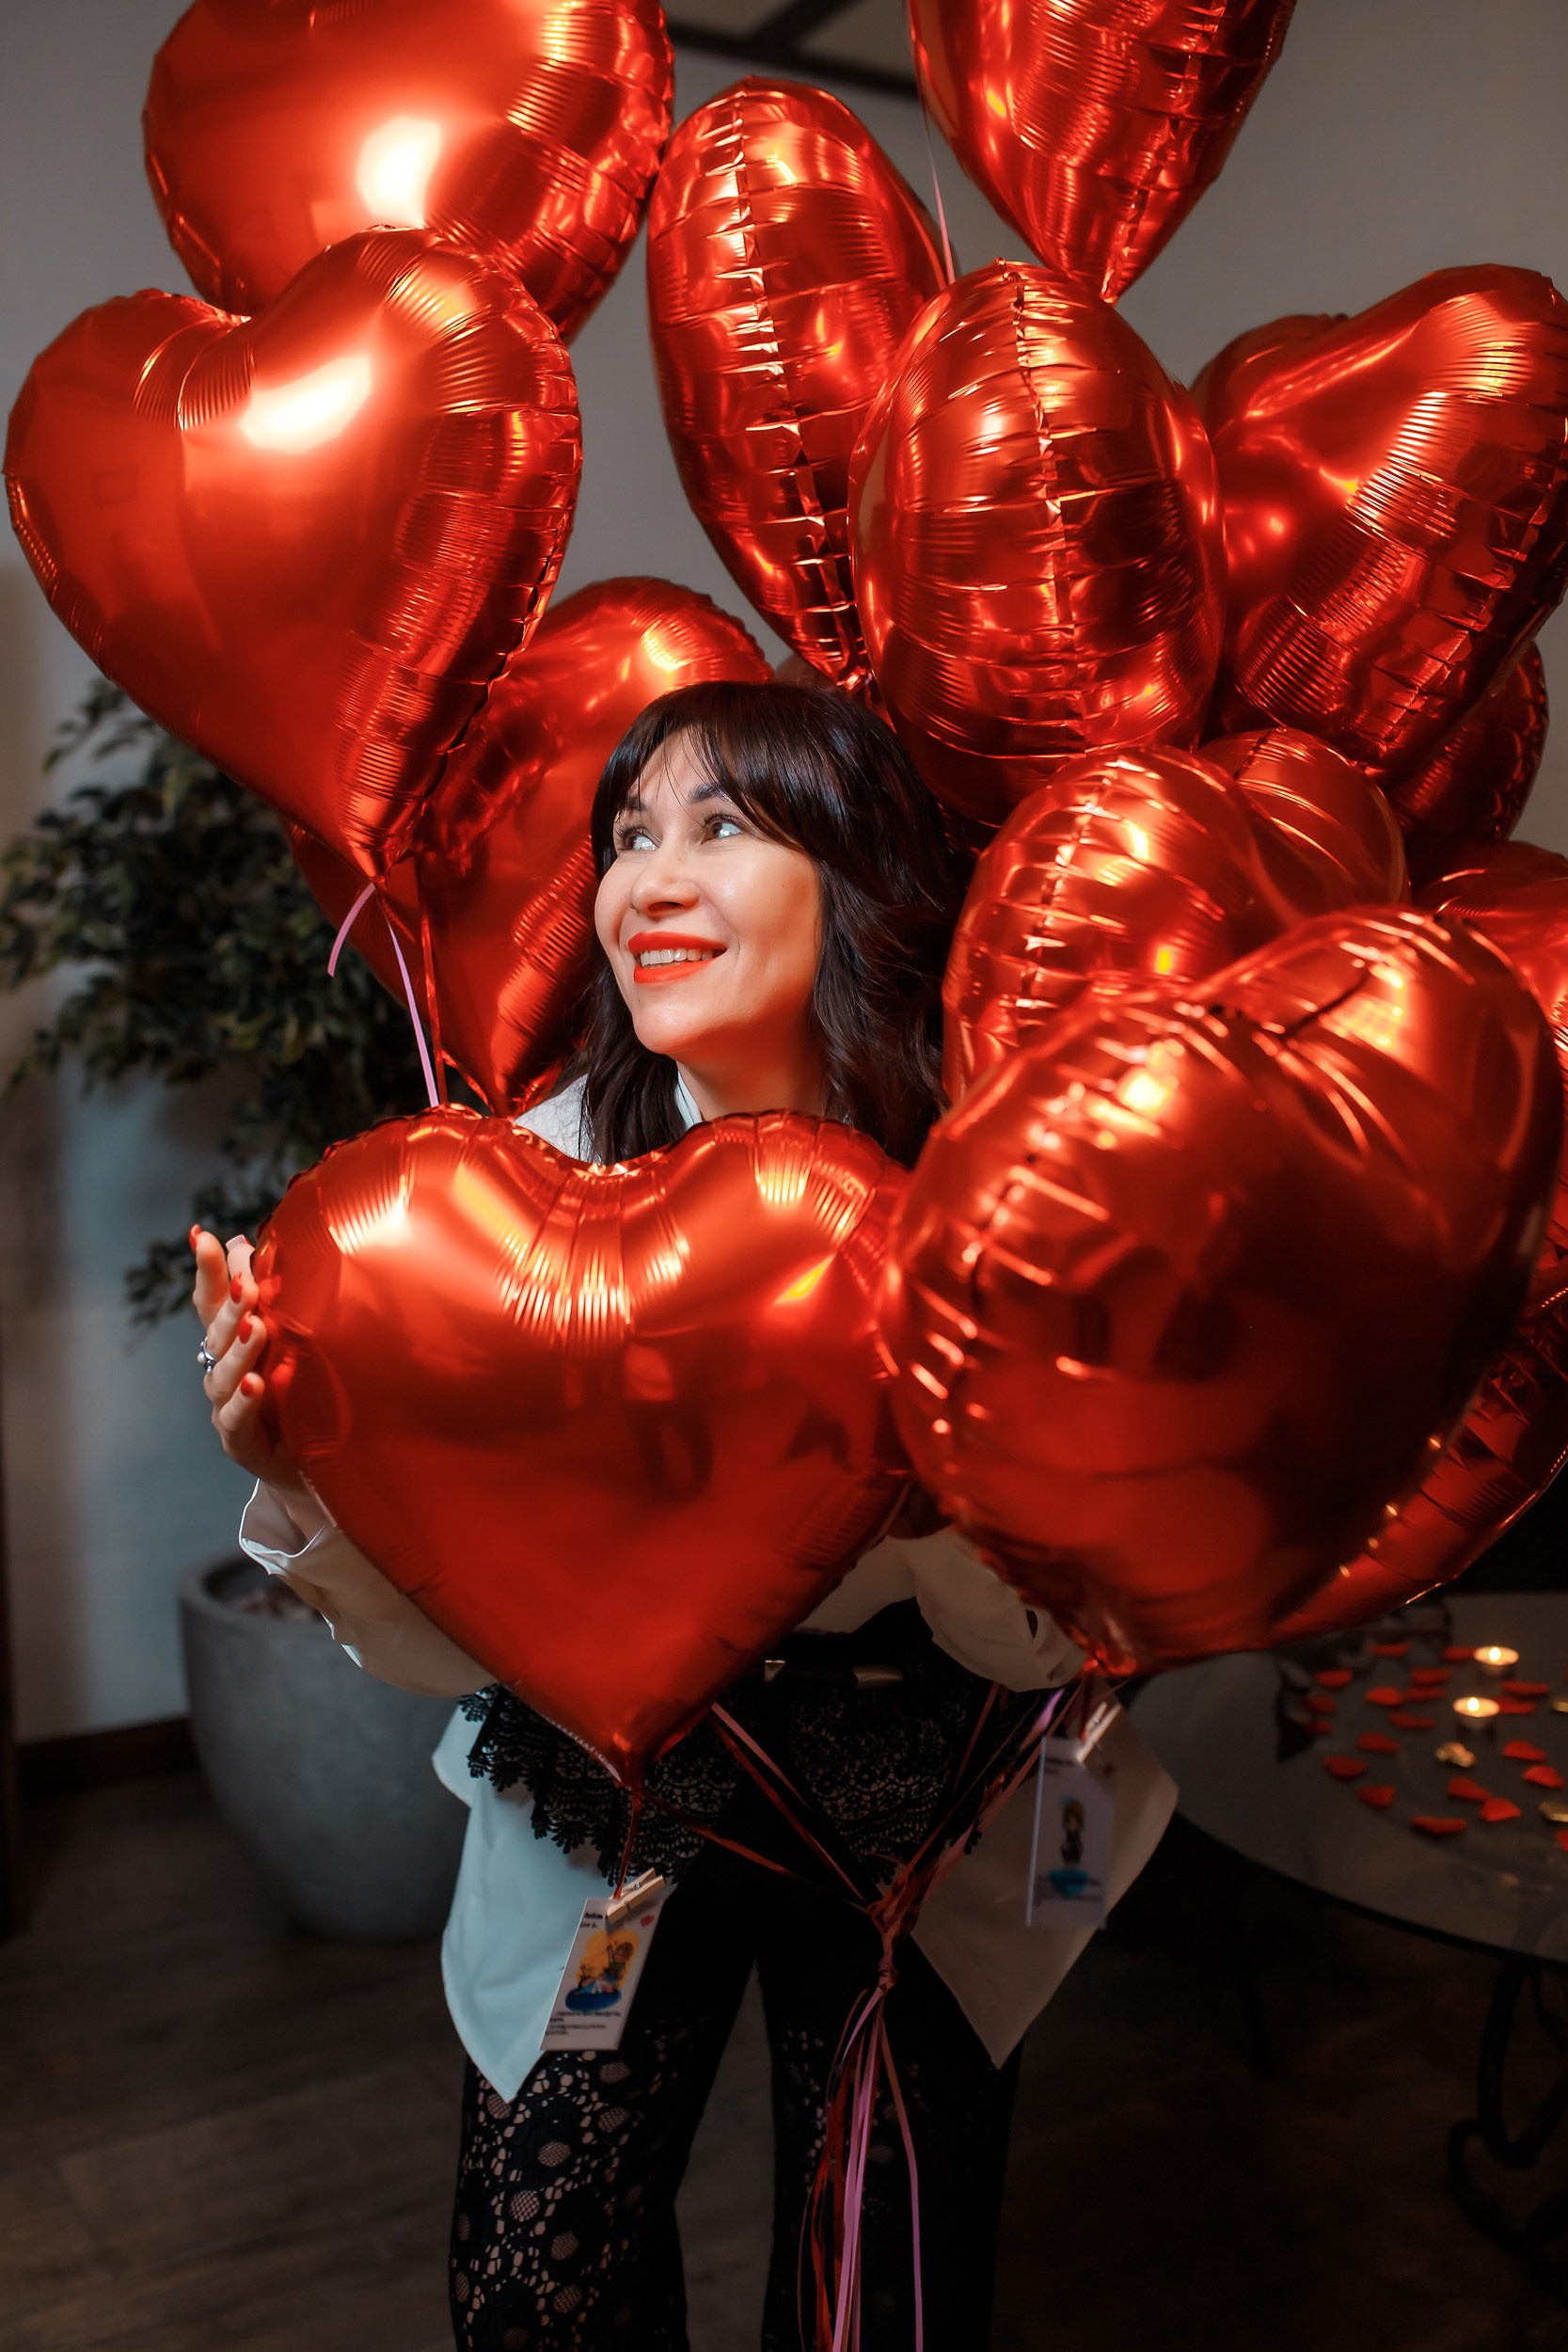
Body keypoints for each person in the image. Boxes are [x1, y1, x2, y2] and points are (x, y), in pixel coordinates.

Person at [191, 681, 1174, 2352]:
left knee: (886, 2288)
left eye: (722, 827)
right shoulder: (524, 1192)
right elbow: (447, 1653)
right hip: (609, 1795)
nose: (649, 880)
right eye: (629, 834)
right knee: (534, 2288)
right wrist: (297, 1459)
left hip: (920, 1787)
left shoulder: (982, 1186)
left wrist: (901, 1479)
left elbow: (1044, 1636)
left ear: (852, 873)